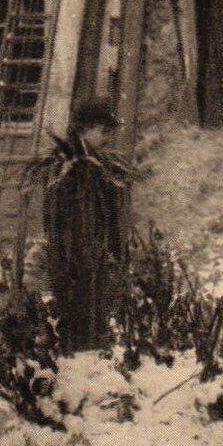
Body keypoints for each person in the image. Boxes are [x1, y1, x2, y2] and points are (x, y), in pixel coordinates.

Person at [33, 100, 135, 354]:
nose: (108, 138)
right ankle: (78, 352)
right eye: (103, 132)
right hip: (73, 251)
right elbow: (61, 215)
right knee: (78, 304)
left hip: (94, 250)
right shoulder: (69, 166)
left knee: (95, 304)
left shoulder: (98, 164)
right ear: (84, 129)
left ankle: (91, 351)